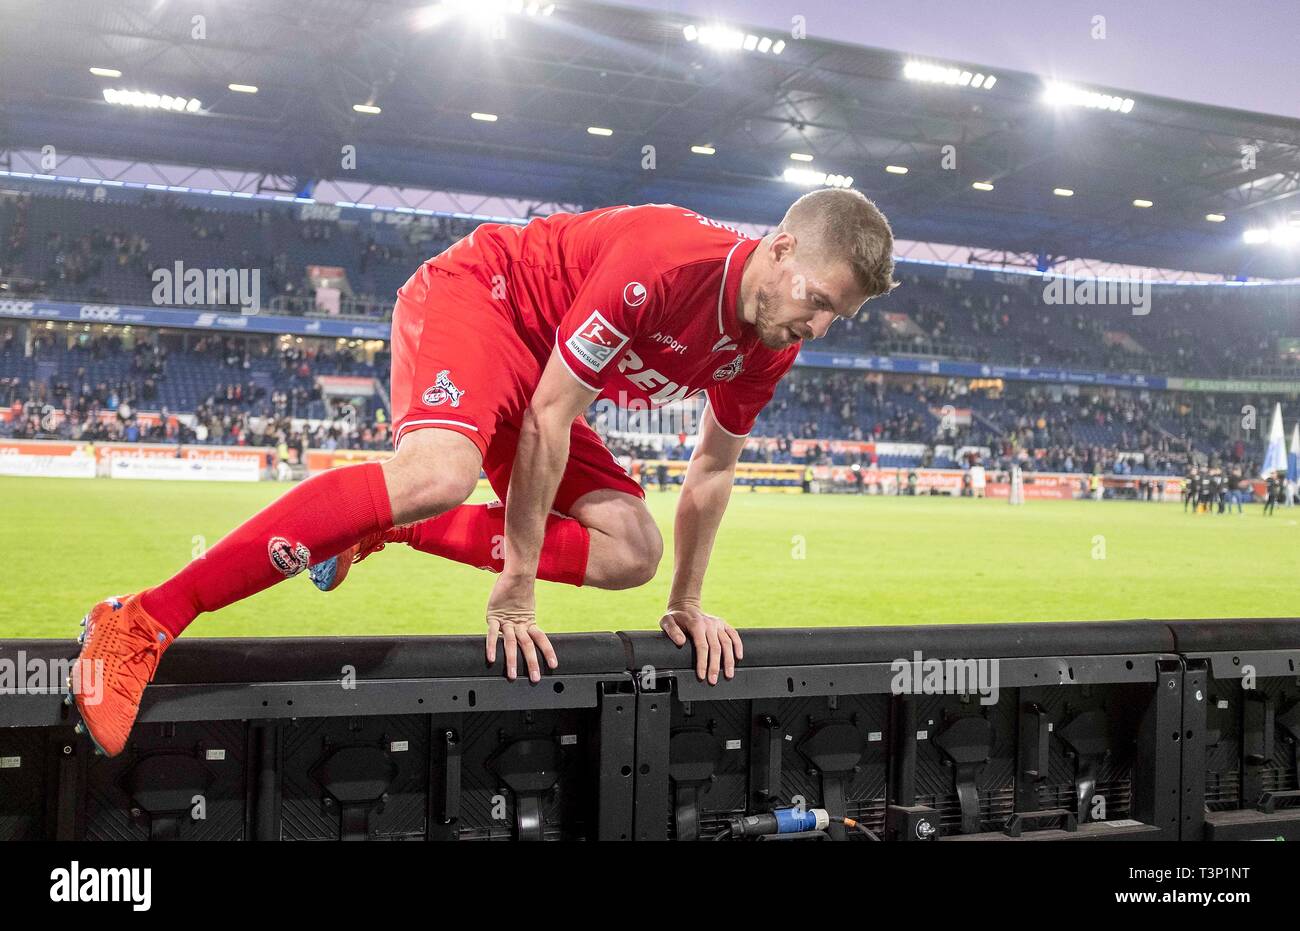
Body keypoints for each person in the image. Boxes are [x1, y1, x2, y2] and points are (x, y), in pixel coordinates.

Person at [70, 190, 899, 757]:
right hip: (484, 300)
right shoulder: (663, 259)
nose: (818, 326)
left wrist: (683, 603)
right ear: (781, 247)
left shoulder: (768, 343)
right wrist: (516, 584)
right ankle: (138, 618)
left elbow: (713, 469)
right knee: (438, 471)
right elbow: (547, 417)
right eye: (818, 299)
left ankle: (382, 526)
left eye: (836, 316)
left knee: (631, 549)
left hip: (544, 373)